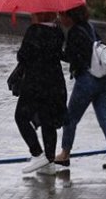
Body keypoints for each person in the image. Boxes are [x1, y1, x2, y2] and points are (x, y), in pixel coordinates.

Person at [54, 5, 106, 169]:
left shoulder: (74, 33)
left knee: (70, 119)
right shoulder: (90, 28)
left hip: (86, 81)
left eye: (61, 15)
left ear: (70, 16)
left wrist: (56, 51)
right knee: (105, 118)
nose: (60, 18)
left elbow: (71, 57)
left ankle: (64, 154)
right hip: (103, 80)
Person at [15, 11, 68, 175]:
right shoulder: (57, 31)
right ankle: (50, 161)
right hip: (54, 82)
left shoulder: (34, 31)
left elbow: (23, 57)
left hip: (35, 83)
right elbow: (58, 54)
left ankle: (37, 153)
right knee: (48, 120)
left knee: (21, 117)